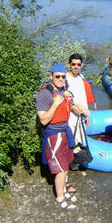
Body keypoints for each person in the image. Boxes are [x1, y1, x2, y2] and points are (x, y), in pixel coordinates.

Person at [36, 63, 77, 210]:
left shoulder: (64, 91)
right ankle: (60, 197)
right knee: (61, 169)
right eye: (57, 76)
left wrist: (72, 102)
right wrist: (55, 104)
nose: (60, 79)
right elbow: (43, 120)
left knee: (67, 163)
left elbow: (67, 107)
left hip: (65, 131)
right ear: (51, 76)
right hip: (54, 134)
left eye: (63, 76)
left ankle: (64, 191)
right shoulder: (44, 95)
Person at [66, 54, 97, 175]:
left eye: (78, 64)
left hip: (81, 115)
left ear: (81, 65)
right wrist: (72, 107)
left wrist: (86, 116)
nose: (76, 67)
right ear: (69, 64)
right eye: (73, 64)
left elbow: (83, 98)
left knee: (79, 141)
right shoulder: (65, 79)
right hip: (71, 116)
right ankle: (71, 166)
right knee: (72, 140)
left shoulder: (80, 77)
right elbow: (61, 97)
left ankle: (75, 164)